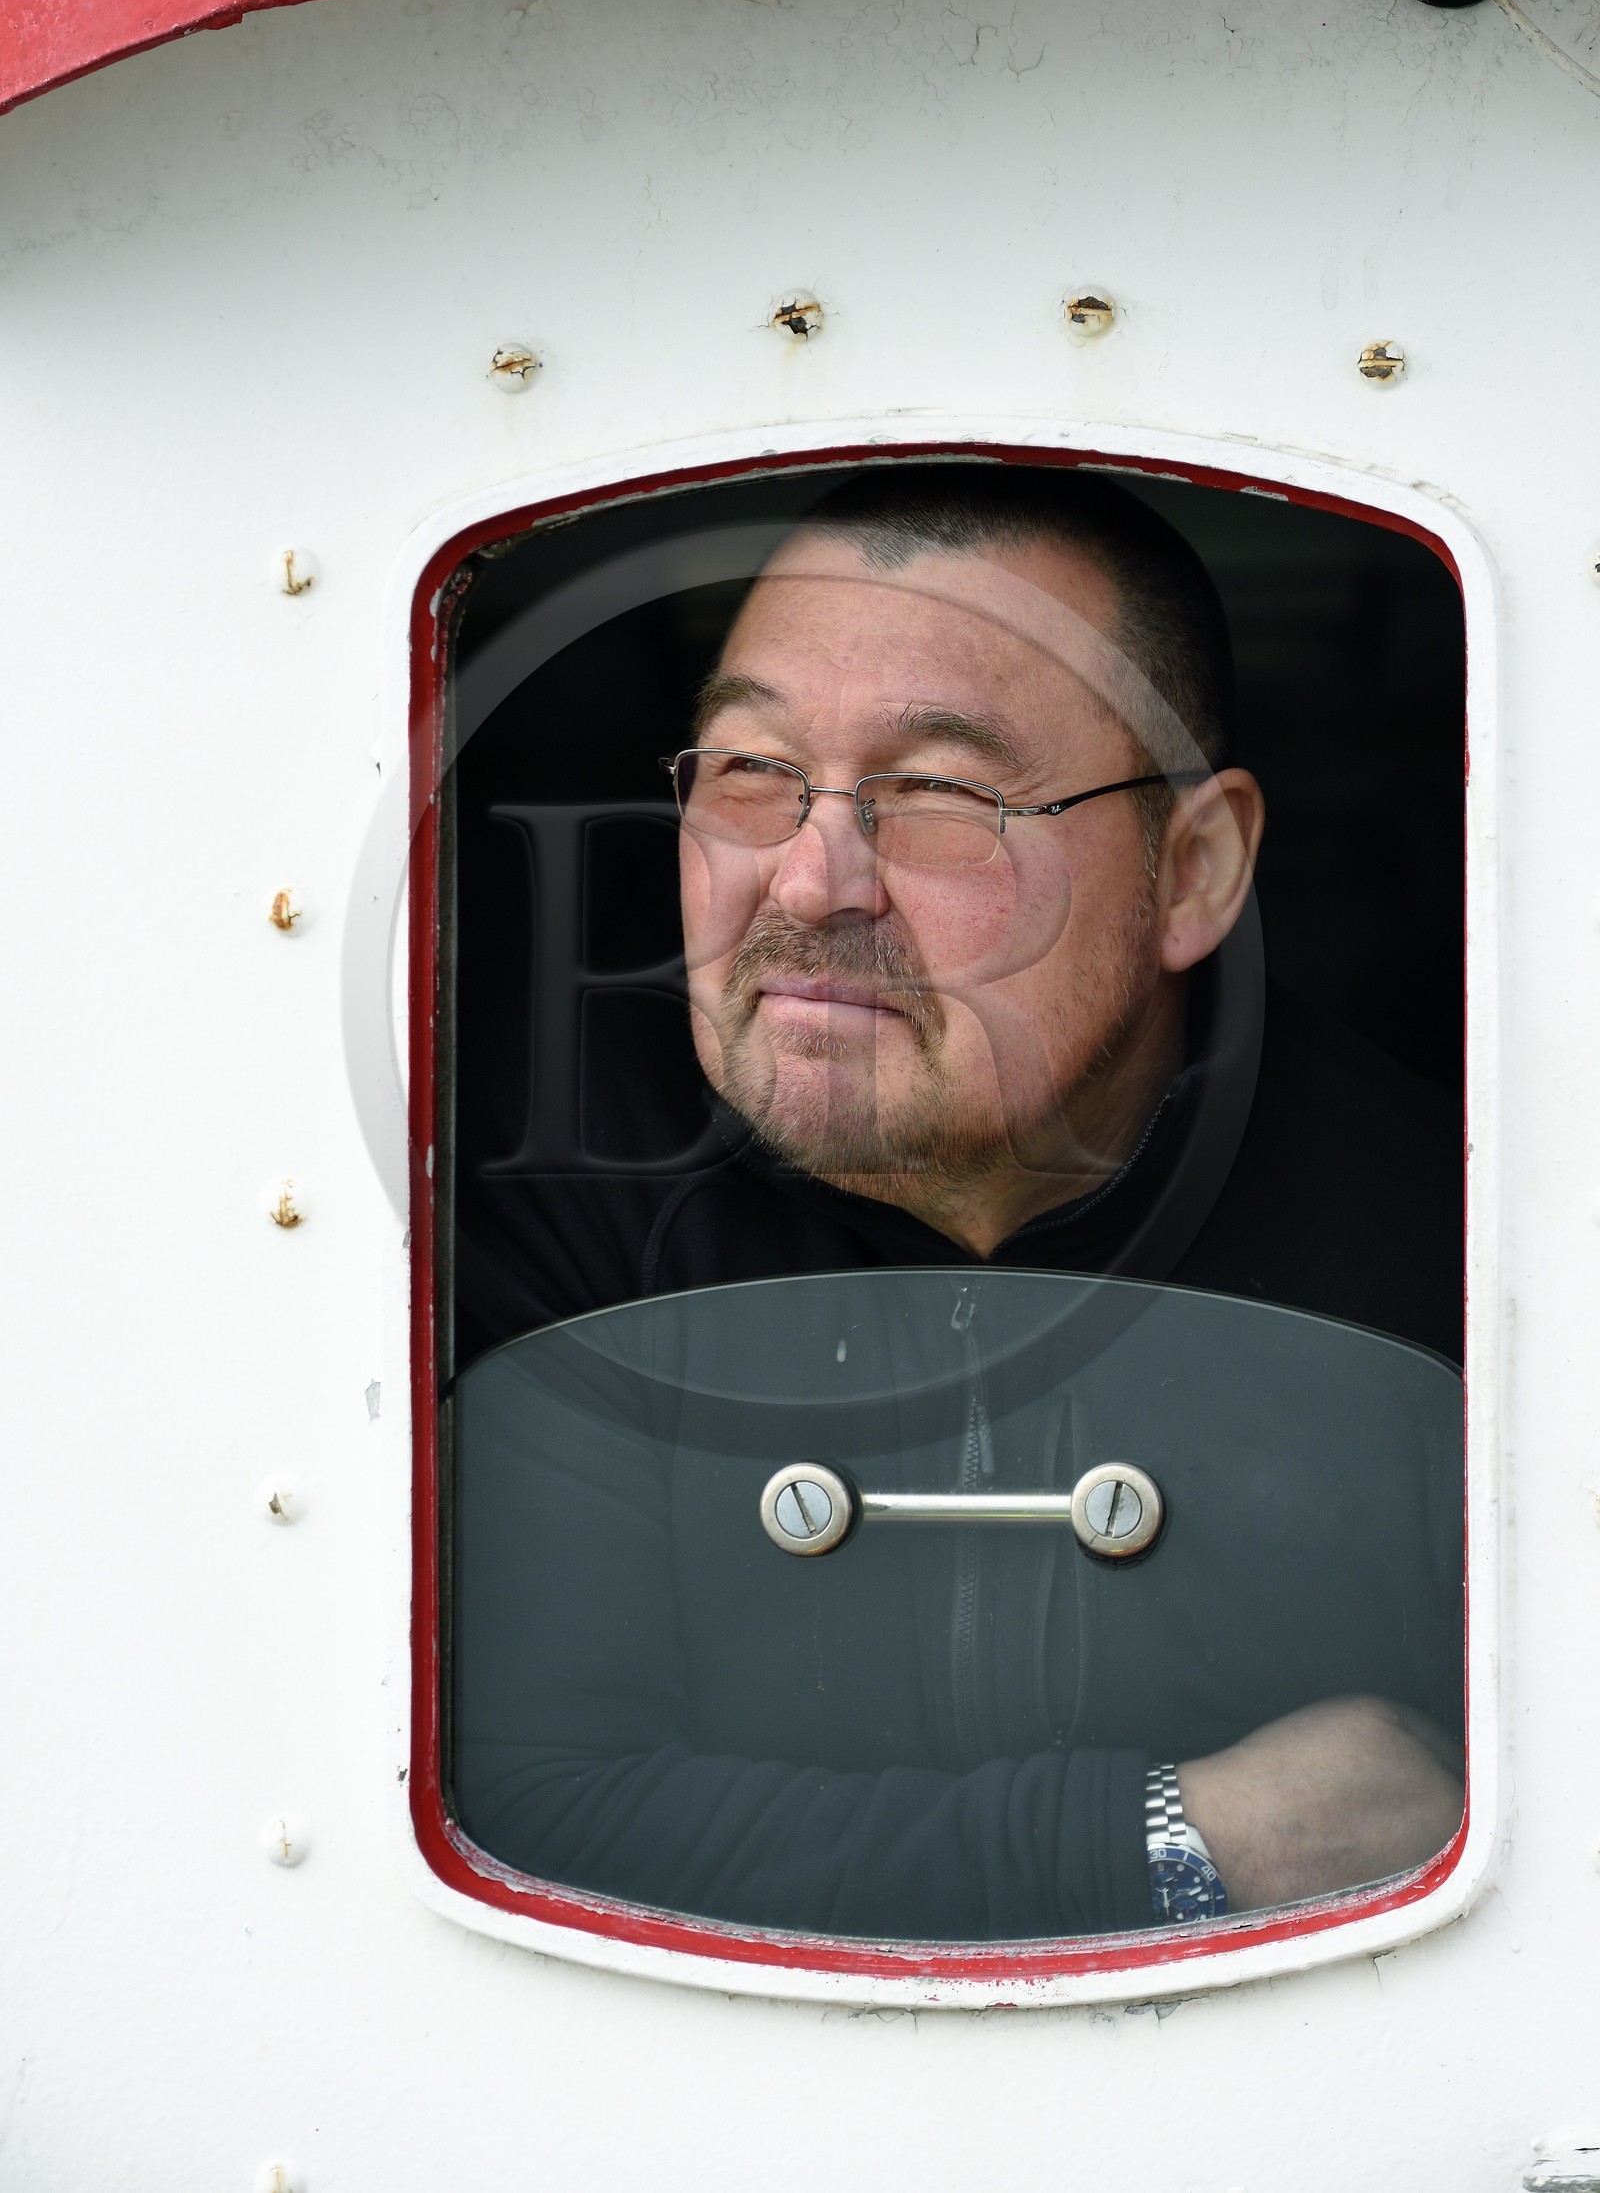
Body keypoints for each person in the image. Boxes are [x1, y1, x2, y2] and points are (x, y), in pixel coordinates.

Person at [452, 463, 1464, 1936]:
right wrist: (1176, 1843)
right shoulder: (536, 1184)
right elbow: (520, 1821)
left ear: (1194, 869)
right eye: (749, 772)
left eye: (936, 792)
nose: (809, 881)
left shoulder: (1455, 1244)